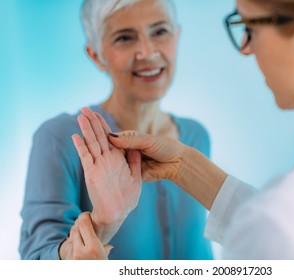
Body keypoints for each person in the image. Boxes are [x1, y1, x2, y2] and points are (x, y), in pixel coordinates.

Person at [75, 0, 294, 259]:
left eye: (249, 29)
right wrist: (184, 166)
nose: (245, 49)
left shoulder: (285, 219)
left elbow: (281, 228)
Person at [19, 0, 213, 260]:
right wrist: (100, 226)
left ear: (177, 36)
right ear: (96, 55)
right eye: (124, 38)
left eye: (160, 31)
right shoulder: (60, 139)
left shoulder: (196, 135)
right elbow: (36, 259)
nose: (148, 51)